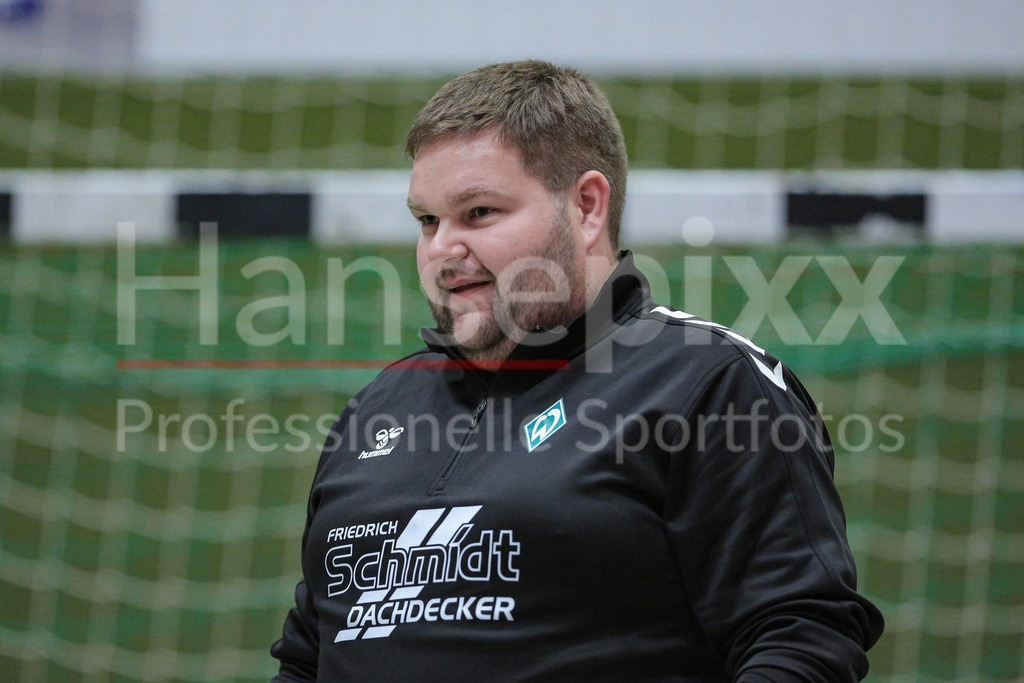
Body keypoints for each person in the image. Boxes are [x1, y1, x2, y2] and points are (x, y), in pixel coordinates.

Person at [271, 59, 884, 681]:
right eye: (427, 221)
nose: (441, 252)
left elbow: (801, 643)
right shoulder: (379, 407)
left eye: (479, 212)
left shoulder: (706, 384)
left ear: (587, 205)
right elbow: (305, 661)